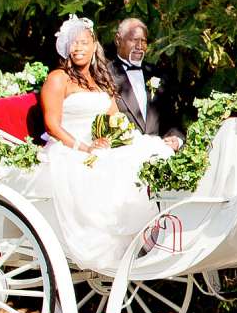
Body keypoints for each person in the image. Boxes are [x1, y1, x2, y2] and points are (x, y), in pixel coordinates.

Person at [34, 16, 178, 275]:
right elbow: (52, 126)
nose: (78, 48)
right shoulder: (58, 79)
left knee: (151, 149)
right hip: (70, 149)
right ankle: (127, 236)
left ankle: (156, 229)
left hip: (100, 144)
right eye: (73, 43)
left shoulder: (98, 79)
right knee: (115, 164)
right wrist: (84, 147)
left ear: (93, 46)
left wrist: (120, 138)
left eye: (84, 42)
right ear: (66, 48)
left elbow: (115, 117)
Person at [109, 17, 184, 151]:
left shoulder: (157, 74)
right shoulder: (105, 75)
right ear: (118, 40)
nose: (139, 47)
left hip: (158, 155)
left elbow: (171, 117)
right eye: (134, 40)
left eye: (143, 41)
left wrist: (176, 138)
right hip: (122, 156)